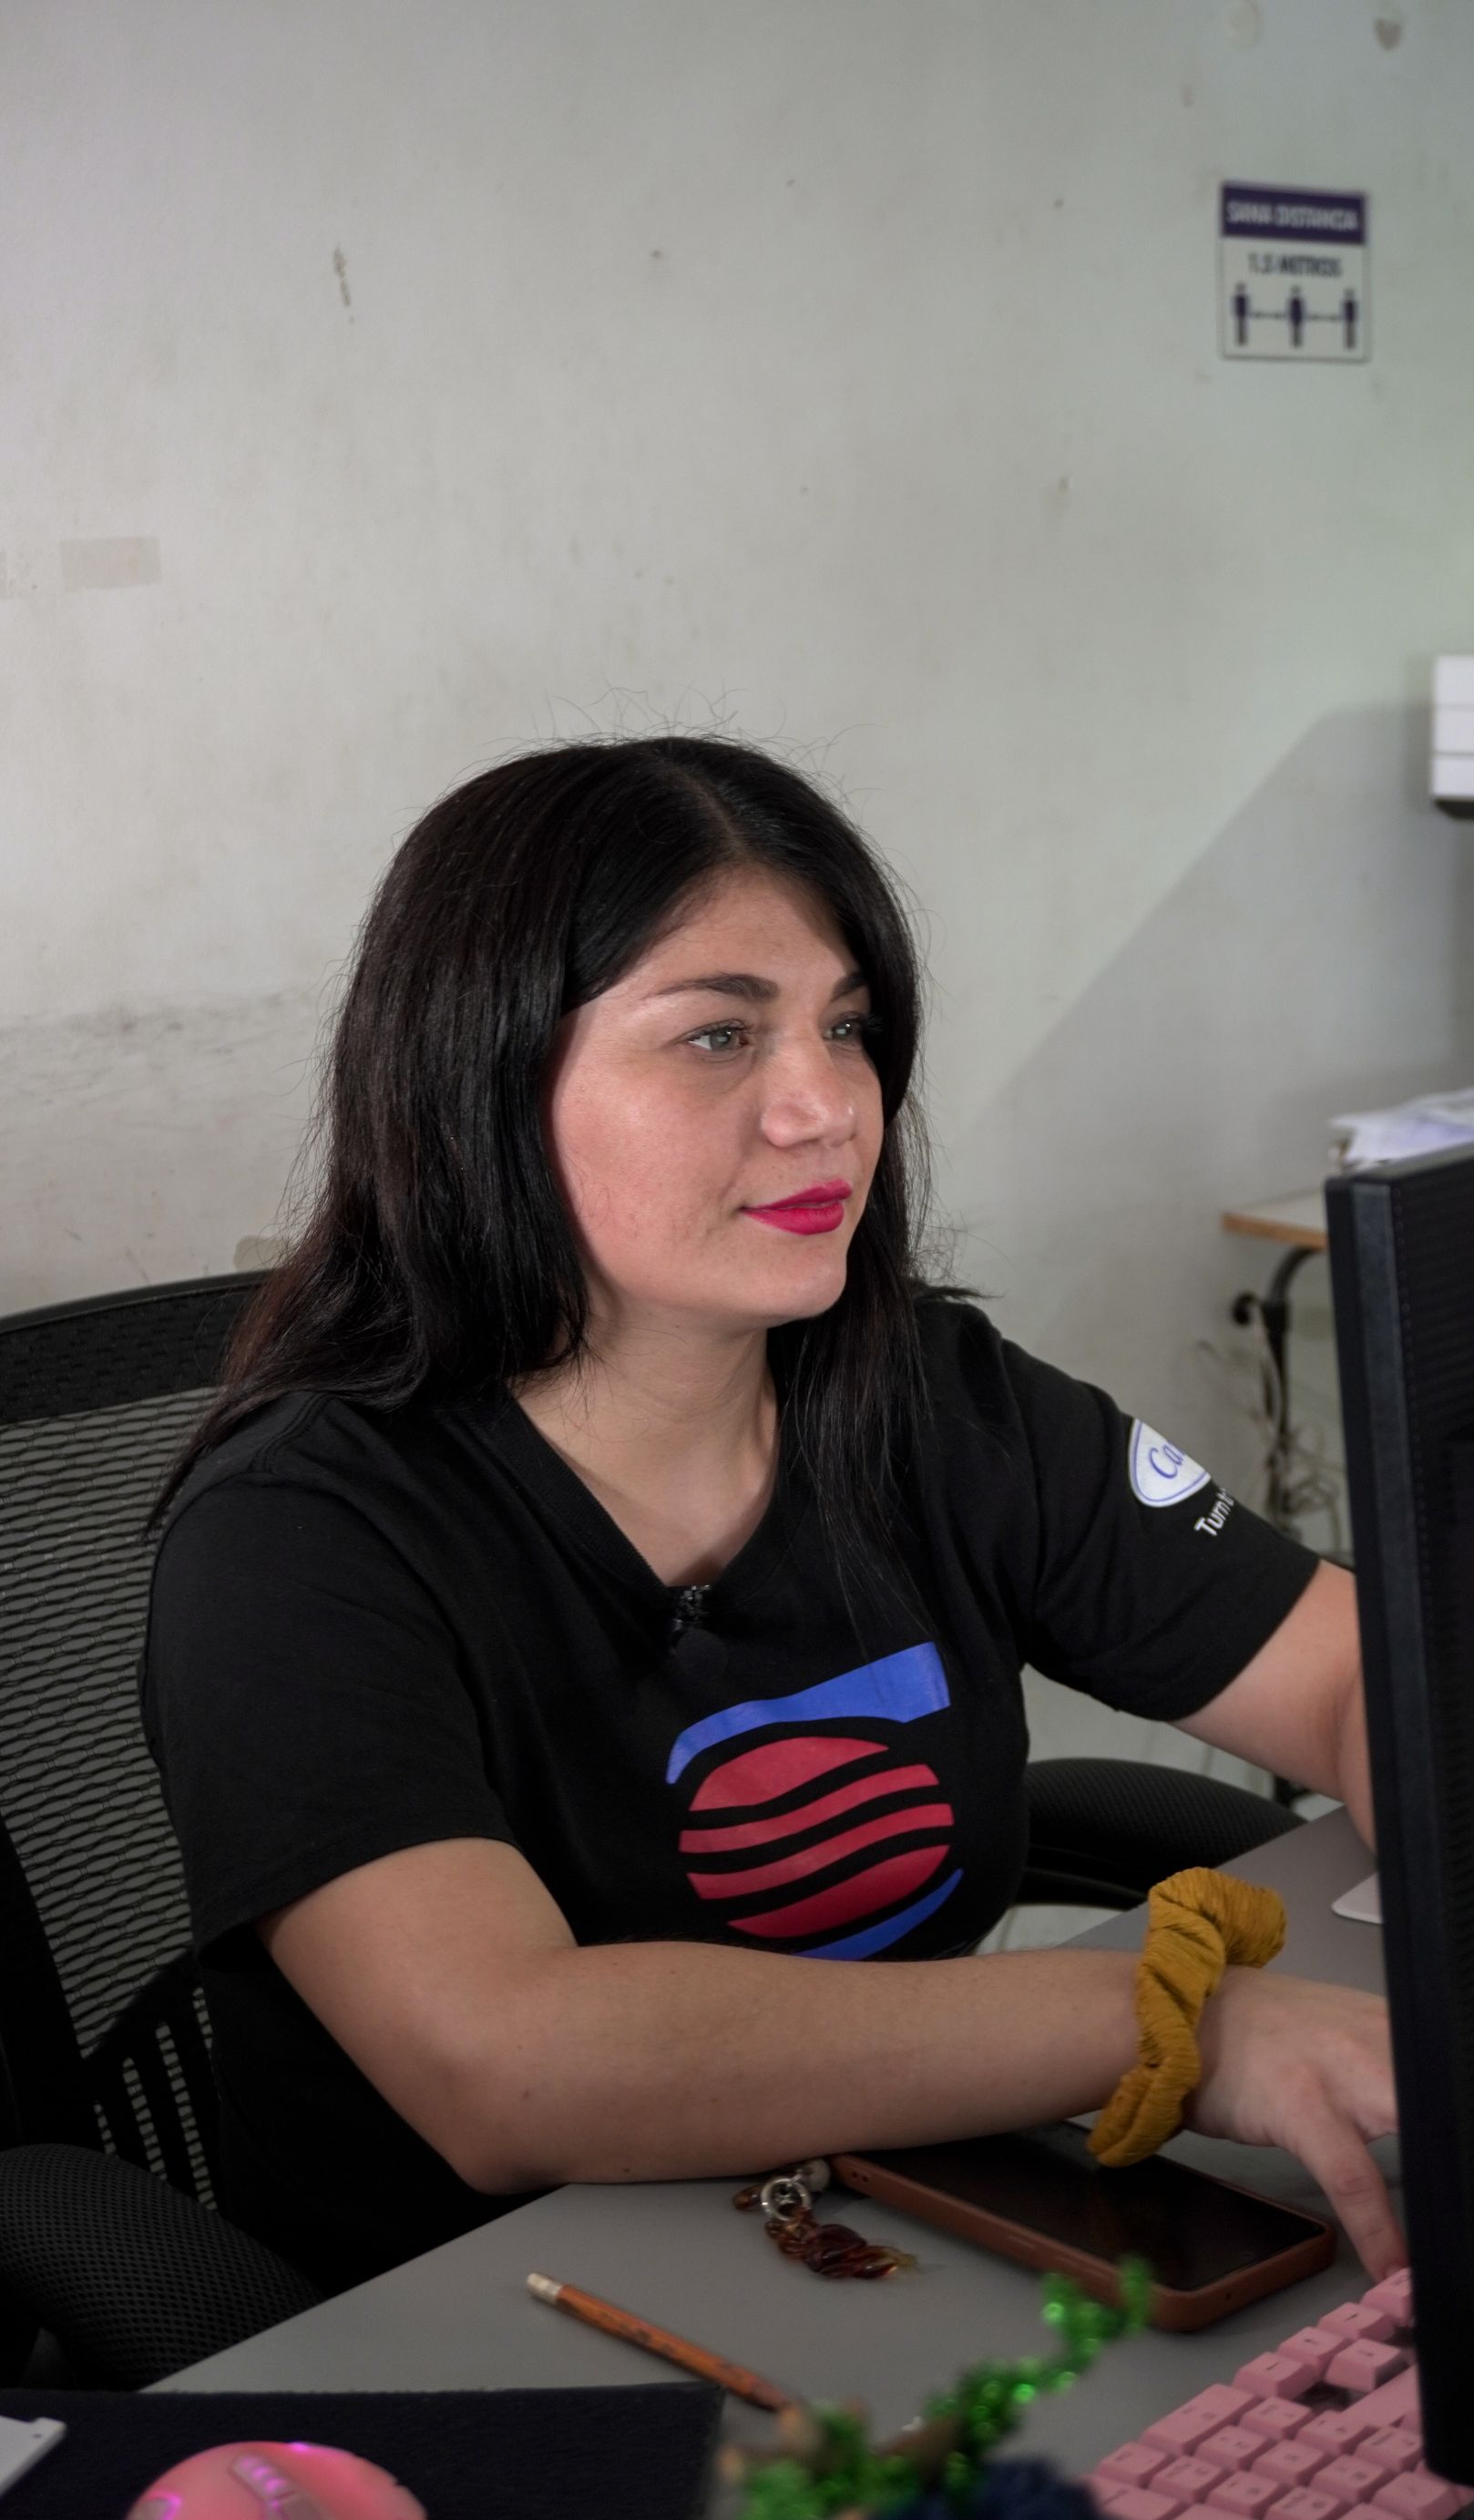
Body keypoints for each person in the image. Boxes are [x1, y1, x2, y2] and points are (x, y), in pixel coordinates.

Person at [144, 737, 1398, 2297]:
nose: (827, 1109)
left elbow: (1358, 1678)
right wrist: (1165, 2024)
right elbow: (508, 2063)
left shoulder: (935, 1397)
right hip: (490, 2333)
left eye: (849, 1028)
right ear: (481, 1079)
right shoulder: (296, 1535)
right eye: (720, 1036)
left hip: (902, 2237)